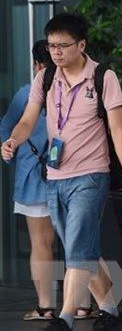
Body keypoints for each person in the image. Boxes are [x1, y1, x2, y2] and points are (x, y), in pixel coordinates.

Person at [1, 13, 122, 331]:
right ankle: (112, 313)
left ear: (81, 45)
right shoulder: (45, 78)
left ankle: (66, 317)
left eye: (62, 45)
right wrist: (14, 140)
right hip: (55, 176)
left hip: (91, 174)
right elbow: (28, 119)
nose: (56, 52)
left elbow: (117, 131)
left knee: (76, 247)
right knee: (84, 248)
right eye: (51, 46)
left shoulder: (103, 77)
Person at [0, 40, 56, 321]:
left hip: (33, 177)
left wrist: (10, 155)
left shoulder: (26, 93)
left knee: (40, 243)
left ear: (36, 65)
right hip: (71, 173)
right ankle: (84, 304)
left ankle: (46, 306)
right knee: (78, 242)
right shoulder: (74, 90)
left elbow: (7, 129)